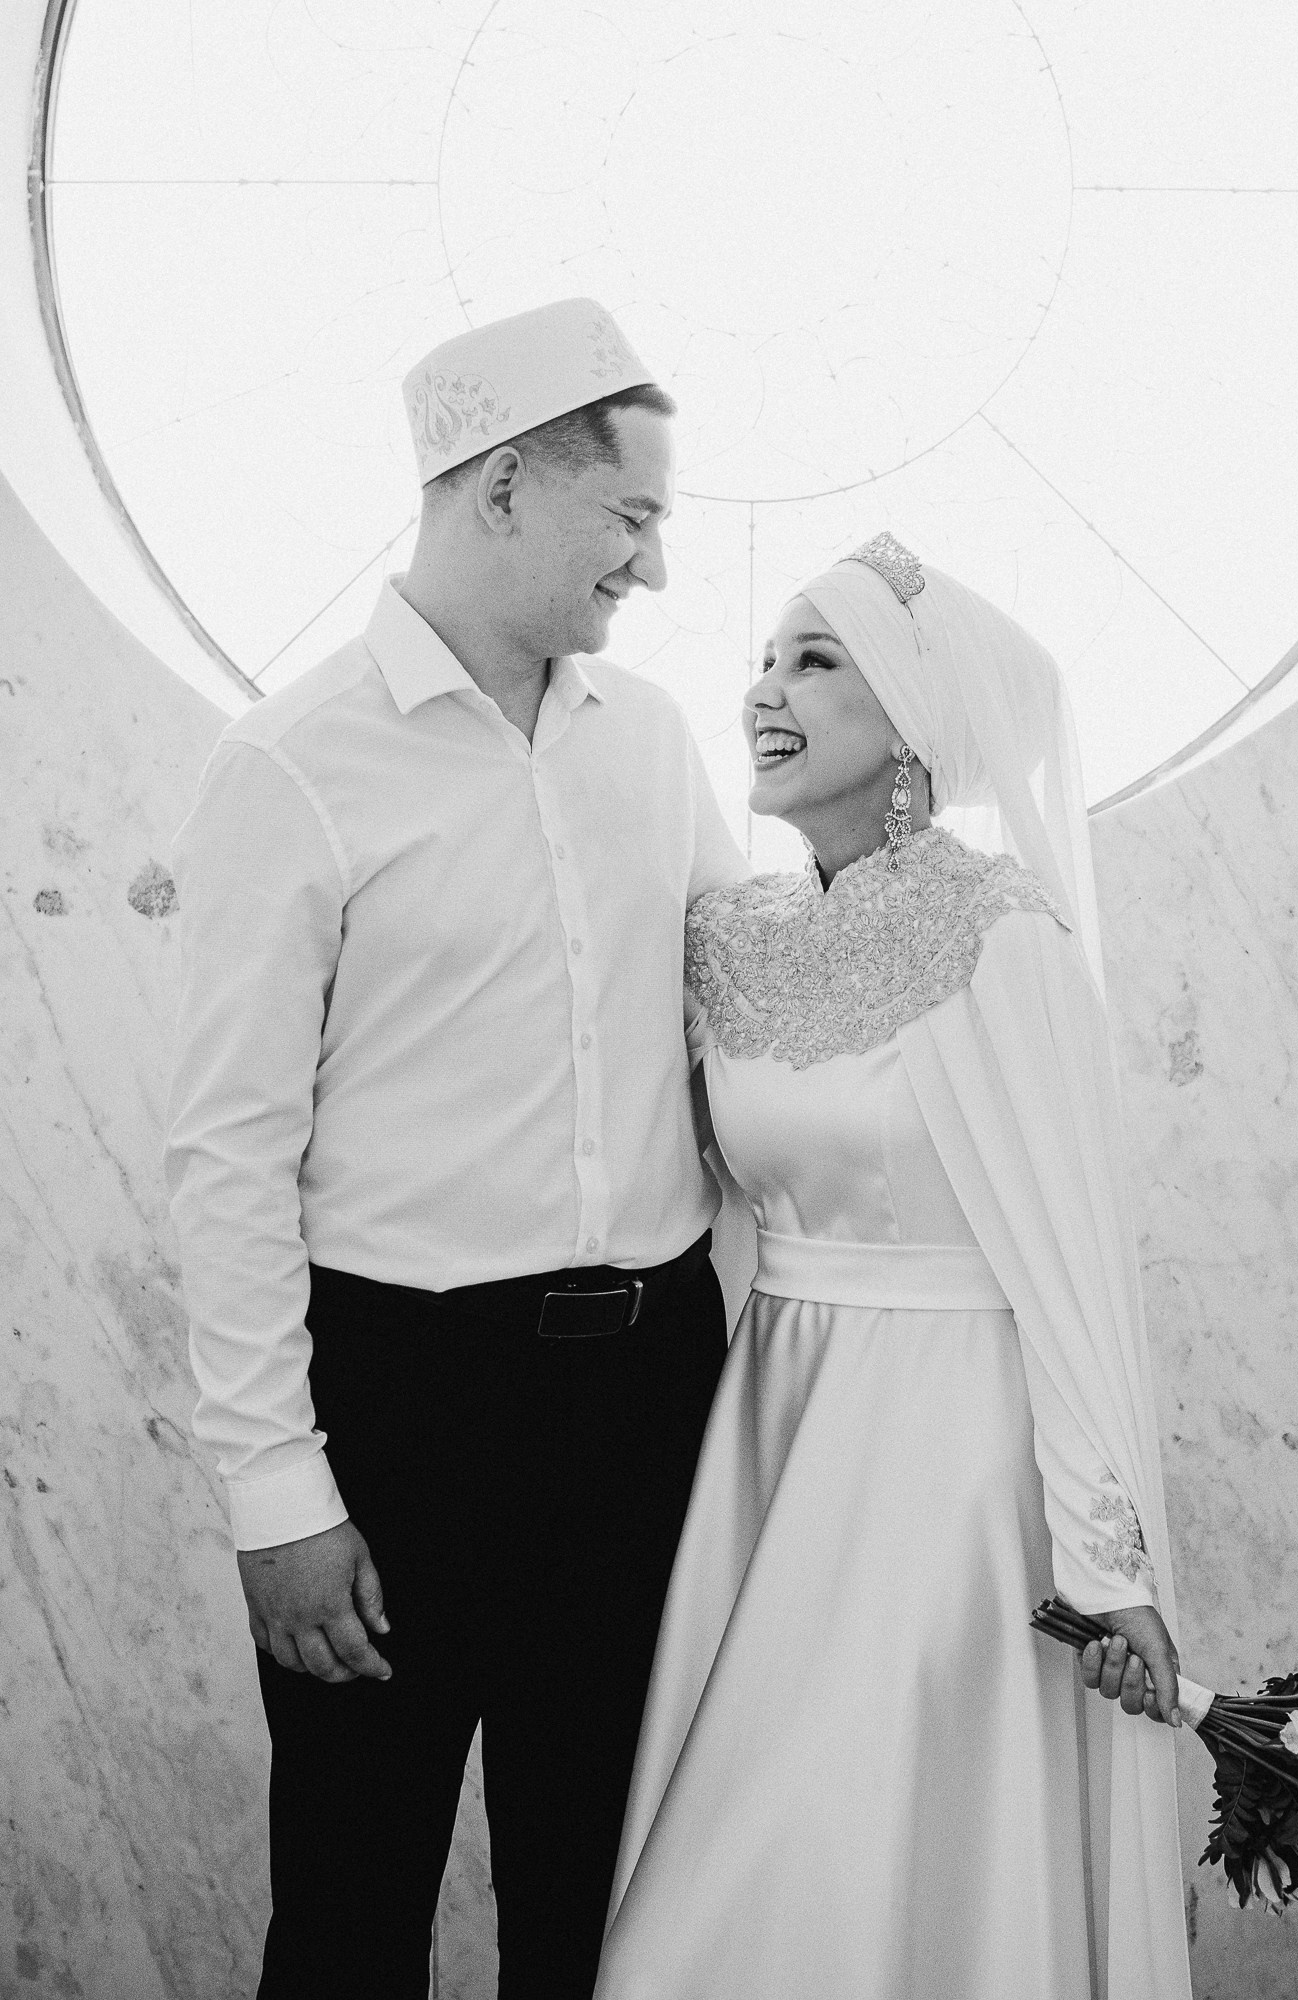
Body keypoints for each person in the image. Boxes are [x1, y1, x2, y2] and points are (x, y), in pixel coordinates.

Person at [163, 297, 748, 1999]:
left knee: (609, 1911)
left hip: (651, 1398)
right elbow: (227, 1158)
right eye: (629, 516)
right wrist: (278, 1499)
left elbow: (752, 1015)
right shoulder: (290, 764)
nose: (652, 567)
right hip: (405, 1412)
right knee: (351, 1920)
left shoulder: (652, 741)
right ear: (500, 487)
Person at [593, 532, 1193, 1998]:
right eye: (762, 661)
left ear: (913, 720)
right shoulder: (731, 935)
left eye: (814, 660)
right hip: (771, 1430)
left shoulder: (1004, 936)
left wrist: (1104, 1559)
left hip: (947, 1454)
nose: (764, 691)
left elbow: (1068, 1271)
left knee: (869, 1839)